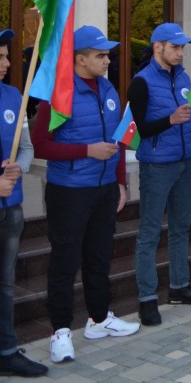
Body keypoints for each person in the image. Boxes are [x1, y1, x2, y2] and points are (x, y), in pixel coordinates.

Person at [34, 26, 139, 364]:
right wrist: (85, 150)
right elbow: (41, 145)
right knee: (65, 262)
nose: (107, 60)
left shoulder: (108, 88)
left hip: (104, 190)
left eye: (107, 54)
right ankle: (60, 332)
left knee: (99, 256)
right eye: (100, 55)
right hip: (69, 192)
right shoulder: (58, 93)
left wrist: (120, 181)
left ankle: (99, 318)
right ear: (79, 59)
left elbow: (119, 138)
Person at [130, 23, 191, 326]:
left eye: (182, 48)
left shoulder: (185, 78)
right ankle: (147, 299)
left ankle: (179, 286)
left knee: (181, 228)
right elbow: (139, 130)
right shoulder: (141, 82)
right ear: (158, 47)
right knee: (150, 233)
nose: (180, 52)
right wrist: (169, 119)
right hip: (156, 165)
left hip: (184, 163)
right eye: (175, 47)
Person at [0, 28, 48, 377]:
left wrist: (19, 167)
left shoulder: (14, 95)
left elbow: (27, 147)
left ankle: (6, 351)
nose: (7, 63)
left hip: (11, 209)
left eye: (6, 55)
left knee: (5, 283)